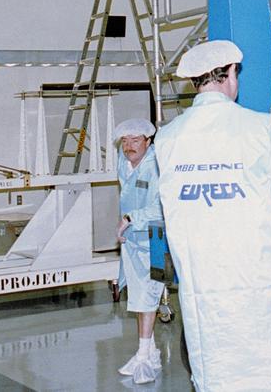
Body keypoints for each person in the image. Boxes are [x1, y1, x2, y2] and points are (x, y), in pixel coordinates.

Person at [154, 39, 271, 392]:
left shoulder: (167, 139)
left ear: (196, 82)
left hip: (205, 287)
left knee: (220, 374)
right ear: (230, 75)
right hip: (260, 280)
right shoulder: (259, 128)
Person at [114, 117, 165, 385]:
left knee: (147, 297)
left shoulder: (155, 166)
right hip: (132, 241)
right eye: (125, 141)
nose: (129, 146)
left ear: (148, 141)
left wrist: (131, 219)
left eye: (135, 141)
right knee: (137, 297)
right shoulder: (124, 163)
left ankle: (144, 357)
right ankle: (150, 353)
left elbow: (162, 207)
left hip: (152, 239)